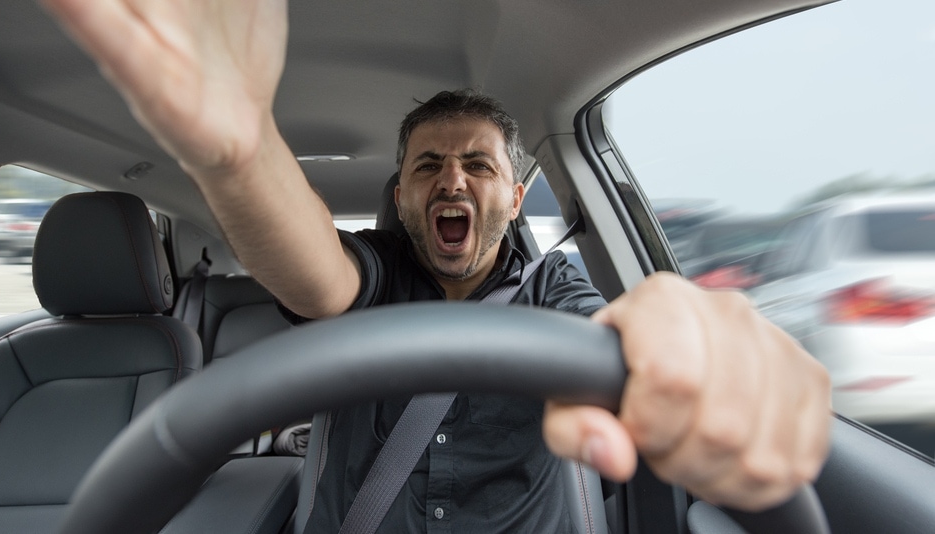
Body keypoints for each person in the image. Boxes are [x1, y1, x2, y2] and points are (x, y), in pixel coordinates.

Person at [42, 0, 832, 531]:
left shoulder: (553, 287)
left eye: (477, 166)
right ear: (403, 193)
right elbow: (320, 276)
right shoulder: (379, 272)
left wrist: (685, 341)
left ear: (516, 197)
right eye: (427, 167)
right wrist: (238, 154)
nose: (451, 179)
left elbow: (615, 333)